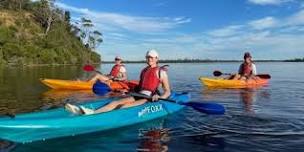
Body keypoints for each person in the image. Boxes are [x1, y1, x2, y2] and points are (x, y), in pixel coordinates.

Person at [65, 49, 171, 115]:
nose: (149, 59)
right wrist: (127, 90)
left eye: (152, 57)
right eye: (148, 57)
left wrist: (160, 98)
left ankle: (99, 117)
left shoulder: (161, 72)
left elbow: (167, 92)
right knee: (114, 102)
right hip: (138, 94)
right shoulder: (144, 70)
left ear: (157, 58)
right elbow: (140, 87)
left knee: (124, 107)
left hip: (148, 99)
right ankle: (92, 113)